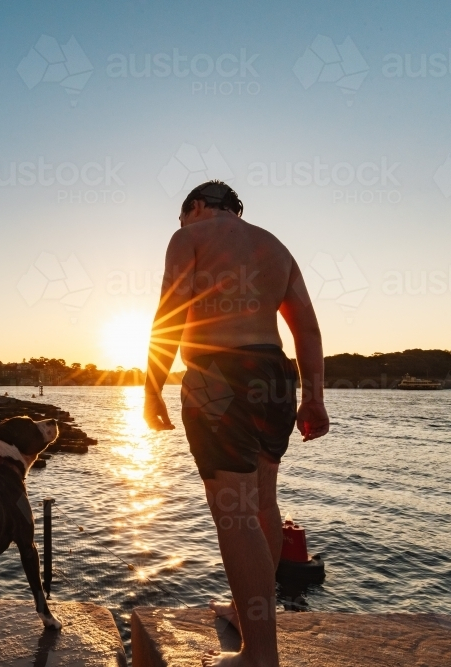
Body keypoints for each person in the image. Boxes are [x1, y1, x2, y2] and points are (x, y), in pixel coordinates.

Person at [143, 182, 329, 667]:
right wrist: (314, 399)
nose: (181, 225)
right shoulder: (275, 246)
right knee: (263, 504)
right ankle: (248, 616)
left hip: (216, 375)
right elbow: (306, 326)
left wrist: (151, 386)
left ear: (197, 207)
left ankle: (259, 656)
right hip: (274, 375)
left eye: (182, 216)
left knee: (234, 511)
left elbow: (170, 310)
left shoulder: (191, 236)